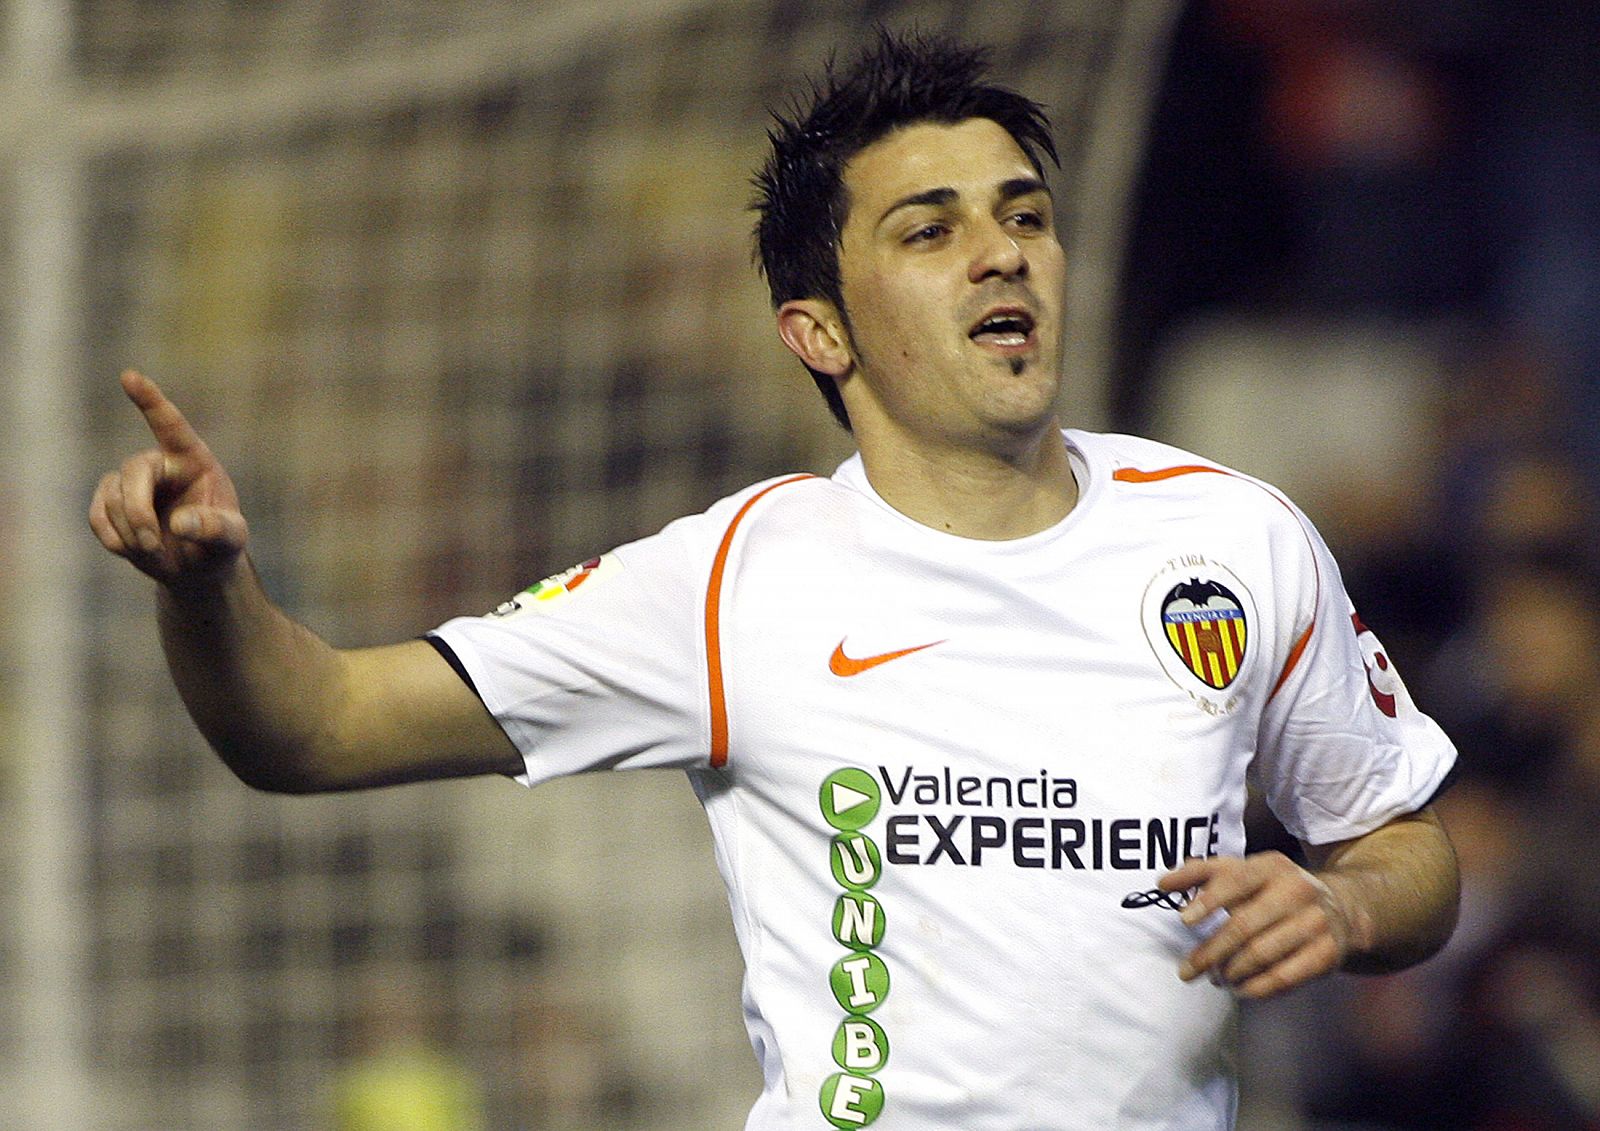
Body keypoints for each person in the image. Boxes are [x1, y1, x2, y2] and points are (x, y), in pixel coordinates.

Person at [89, 30, 1459, 1131]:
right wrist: (206, 587)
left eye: (1024, 214)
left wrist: (1343, 904)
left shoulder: (1231, 539)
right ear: (819, 330)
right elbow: (311, 729)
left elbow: (1409, 849)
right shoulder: (732, 583)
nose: (1002, 252)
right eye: (929, 231)